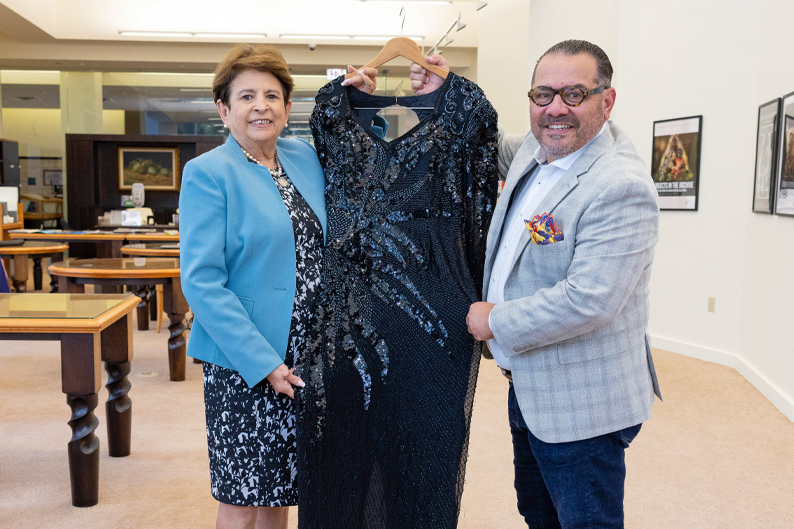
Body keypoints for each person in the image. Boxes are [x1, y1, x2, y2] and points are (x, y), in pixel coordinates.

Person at [411, 40, 662, 528]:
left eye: (574, 94)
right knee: (539, 513)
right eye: (543, 94)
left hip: (583, 398)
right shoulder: (537, 147)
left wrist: (493, 320)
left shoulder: (619, 185)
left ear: (606, 101)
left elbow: (590, 301)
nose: (555, 109)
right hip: (529, 383)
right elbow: (487, 147)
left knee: (584, 521)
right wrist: (445, 92)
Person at [179, 44, 375, 529]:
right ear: (224, 109)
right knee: (243, 497)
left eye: (272, 95)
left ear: (288, 107)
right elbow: (202, 282)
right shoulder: (207, 173)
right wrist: (265, 363)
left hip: (309, 356)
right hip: (247, 359)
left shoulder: (303, 156)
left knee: (282, 490)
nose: (261, 106)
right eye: (246, 96)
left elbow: (363, 163)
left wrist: (364, 106)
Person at [296, 64, 499, 528]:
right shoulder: (331, 112)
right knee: (340, 457)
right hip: (344, 326)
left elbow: (479, 220)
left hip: (434, 328)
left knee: (426, 458)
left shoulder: (467, 111)